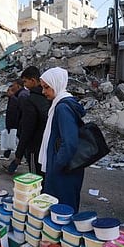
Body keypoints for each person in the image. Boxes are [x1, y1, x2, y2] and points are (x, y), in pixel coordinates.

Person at [38, 67, 86, 212]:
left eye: (47, 87)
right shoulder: (60, 104)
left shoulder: (62, 108)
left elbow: (70, 142)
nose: (43, 92)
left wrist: (56, 166)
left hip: (64, 171)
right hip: (64, 168)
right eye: (42, 87)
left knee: (62, 211)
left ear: (57, 84)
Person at [4, 66, 50, 177]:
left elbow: (27, 128)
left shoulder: (30, 100)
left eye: (25, 82)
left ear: (33, 80)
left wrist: (19, 153)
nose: (24, 85)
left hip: (34, 146)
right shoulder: (48, 97)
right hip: (46, 145)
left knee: (35, 178)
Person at [0, 80, 25, 161]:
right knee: (12, 139)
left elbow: (13, 112)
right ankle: (7, 155)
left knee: (17, 139)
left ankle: (20, 158)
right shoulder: (16, 96)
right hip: (15, 123)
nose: (12, 87)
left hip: (15, 123)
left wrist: (10, 124)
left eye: (13, 85)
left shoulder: (17, 97)